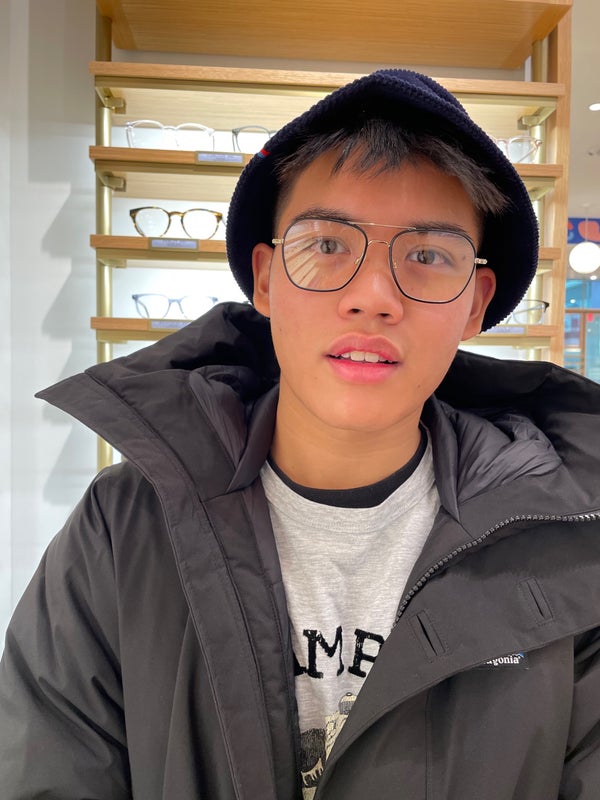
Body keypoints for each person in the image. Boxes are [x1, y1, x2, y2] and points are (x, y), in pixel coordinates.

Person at [1, 69, 599, 800]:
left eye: (427, 256)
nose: (373, 297)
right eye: (328, 244)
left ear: (475, 303)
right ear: (265, 279)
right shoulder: (123, 528)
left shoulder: (570, 550)